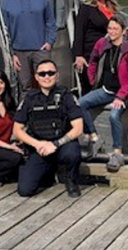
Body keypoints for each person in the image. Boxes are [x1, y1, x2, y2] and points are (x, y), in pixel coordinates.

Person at [80, 15, 128, 172]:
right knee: (80, 103)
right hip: (106, 90)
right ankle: (94, 138)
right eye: (110, 28)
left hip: (125, 93)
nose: (112, 31)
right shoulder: (102, 44)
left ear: (123, 31)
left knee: (114, 115)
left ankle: (117, 153)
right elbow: (93, 59)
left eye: (115, 28)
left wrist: (121, 95)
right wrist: (92, 80)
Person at [13, 60, 83, 198]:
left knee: (73, 152)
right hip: (40, 148)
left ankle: (71, 180)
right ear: (36, 77)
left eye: (50, 73)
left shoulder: (66, 96)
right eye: (42, 73)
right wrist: (38, 144)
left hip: (62, 145)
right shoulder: (29, 99)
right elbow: (17, 130)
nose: (46, 77)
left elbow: (78, 128)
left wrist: (55, 144)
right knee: (24, 190)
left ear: (57, 75)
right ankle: (48, 172)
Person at [0, 0, 56, 90]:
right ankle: (27, 109)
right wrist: (11, 54)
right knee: (25, 86)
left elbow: (51, 22)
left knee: (47, 83)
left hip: (41, 50)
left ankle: (49, 109)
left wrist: (50, 42)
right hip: (19, 52)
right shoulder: (6, 2)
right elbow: (5, 32)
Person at [73, 0, 119, 94]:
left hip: (109, 54)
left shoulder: (112, 8)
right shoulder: (87, 7)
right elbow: (79, 32)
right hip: (90, 54)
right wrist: (78, 55)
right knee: (89, 87)